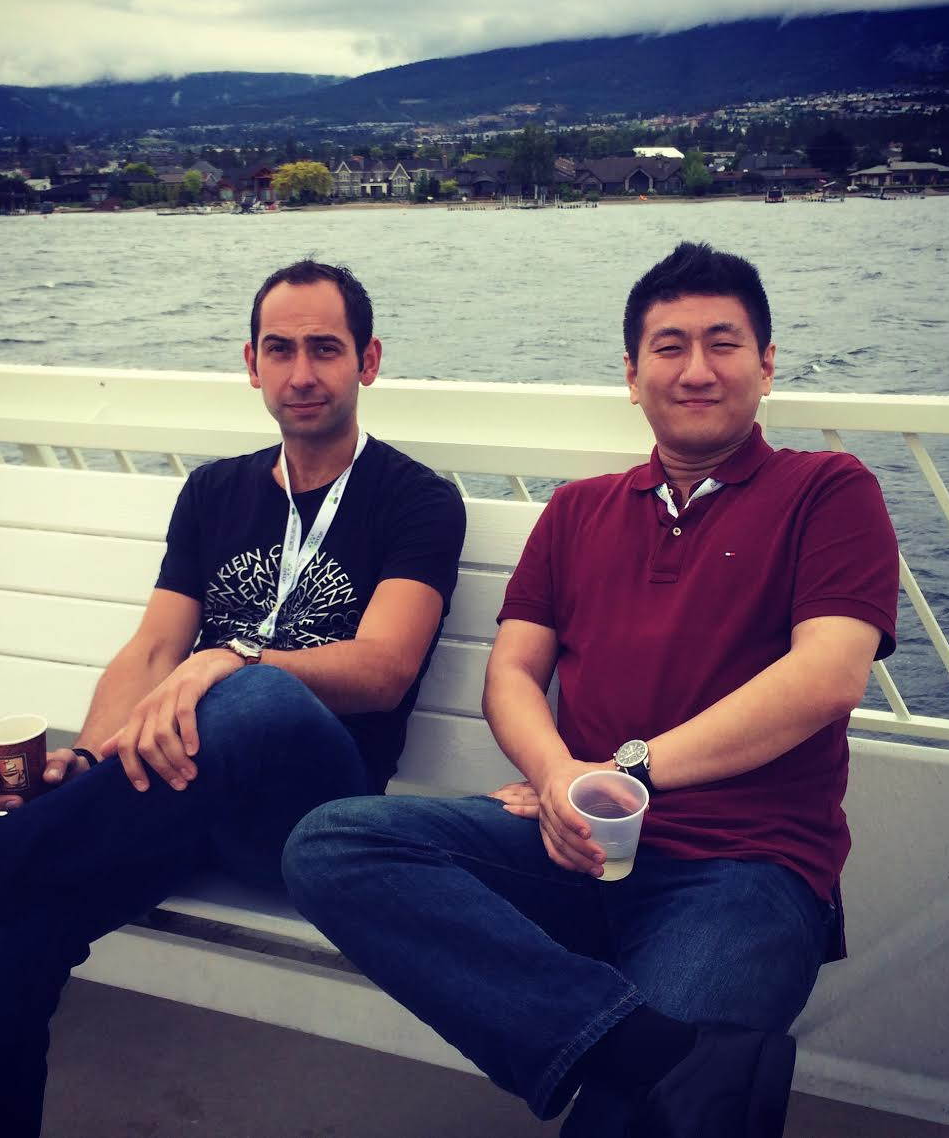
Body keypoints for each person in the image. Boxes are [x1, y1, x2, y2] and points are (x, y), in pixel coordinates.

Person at [0, 259, 466, 1138]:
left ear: (369, 361)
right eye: (280, 350)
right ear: (251, 364)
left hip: (310, 812)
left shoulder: (418, 499)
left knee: (256, 696)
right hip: (169, 790)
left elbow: (385, 668)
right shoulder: (214, 491)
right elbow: (156, 648)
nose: (302, 372)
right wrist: (87, 758)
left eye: (326, 348)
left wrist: (232, 659)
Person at [284, 242, 900, 1138]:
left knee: (624, 1124)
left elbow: (827, 676)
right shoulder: (577, 510)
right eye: (669, 347)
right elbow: (512, 672)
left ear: (767, 365)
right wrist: (554, 777)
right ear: (632, 375)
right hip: (573, 845)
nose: (696, 370)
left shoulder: (828, 490)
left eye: (724, 344)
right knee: (333, 843)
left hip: (743, 870)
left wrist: (616, 775)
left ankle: (637, 1071)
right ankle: (651, 1052)